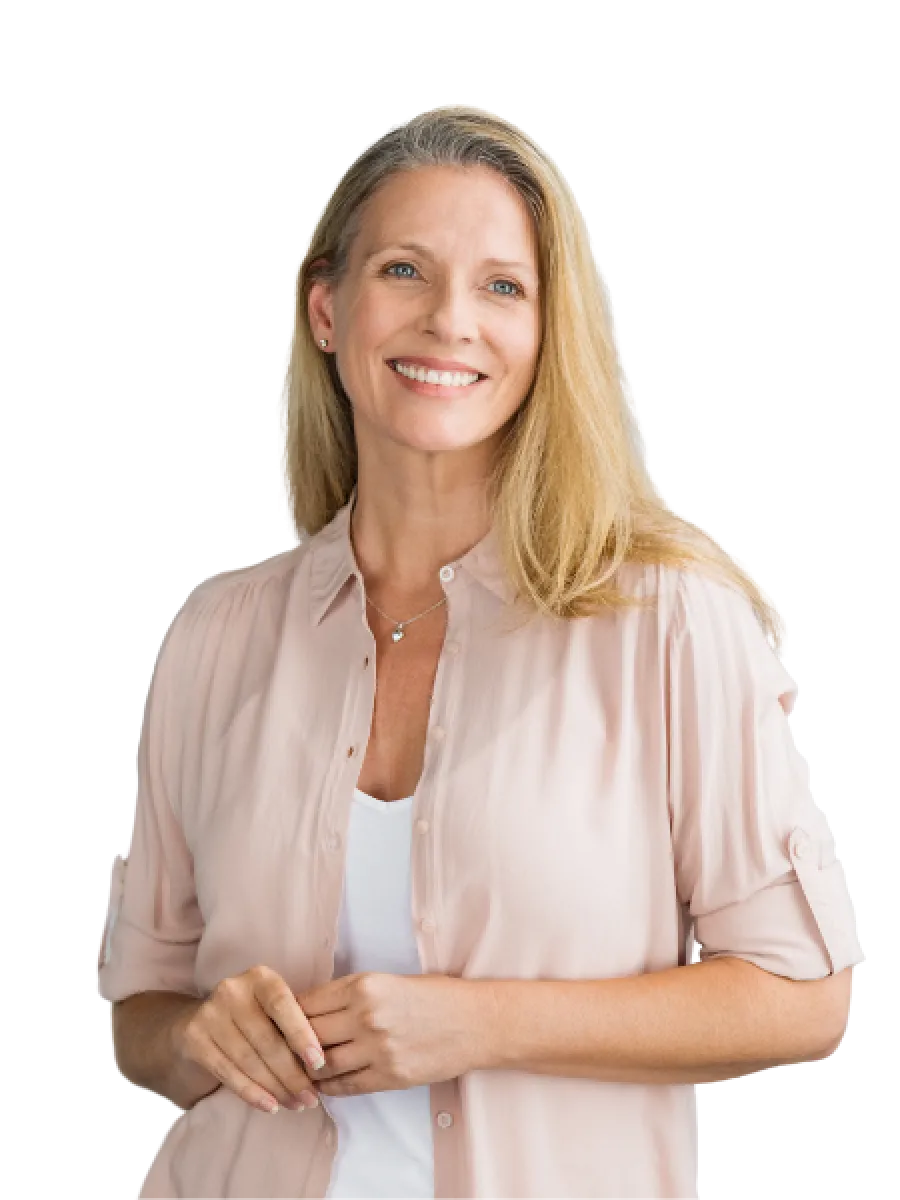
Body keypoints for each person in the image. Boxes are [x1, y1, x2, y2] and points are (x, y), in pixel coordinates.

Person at [98, 104, 864, 1199]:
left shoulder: (670, 622)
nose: (450, 319)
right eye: (405, 270)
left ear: (549, 332)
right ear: (328, 307)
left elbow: (806, 995)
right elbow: (142, 1019)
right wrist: (200, 1035)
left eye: (503, 285)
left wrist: (480, 1023)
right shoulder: (214, 638)